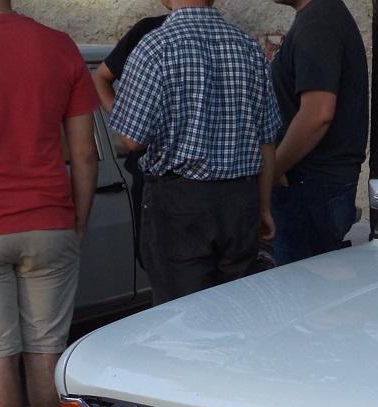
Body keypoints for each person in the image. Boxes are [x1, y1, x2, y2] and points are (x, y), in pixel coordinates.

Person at [0, 2, 100, 407]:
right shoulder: (58, 46)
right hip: (49, 221)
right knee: (45, 349)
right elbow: (84, 153)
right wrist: (77, 220)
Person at [110, 0, 281, 305]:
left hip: (179, 202)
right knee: (237, 310)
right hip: (240, 201)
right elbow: (266, 139)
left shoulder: (155, 46)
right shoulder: (248, 48)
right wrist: (264, 208)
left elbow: (133, 140)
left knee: (181, 318)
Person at [270, 0, 369, 265]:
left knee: (303, 298)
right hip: (312, 188)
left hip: (310, 188)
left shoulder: (319, 21)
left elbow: (317, 114)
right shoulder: (317, 17)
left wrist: (273, 169)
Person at [91, 1, 172, 265]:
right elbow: (100, 77)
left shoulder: (151, 36)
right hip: (153, 178)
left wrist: (131, 129)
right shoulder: (147, 31)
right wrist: (126, 119)